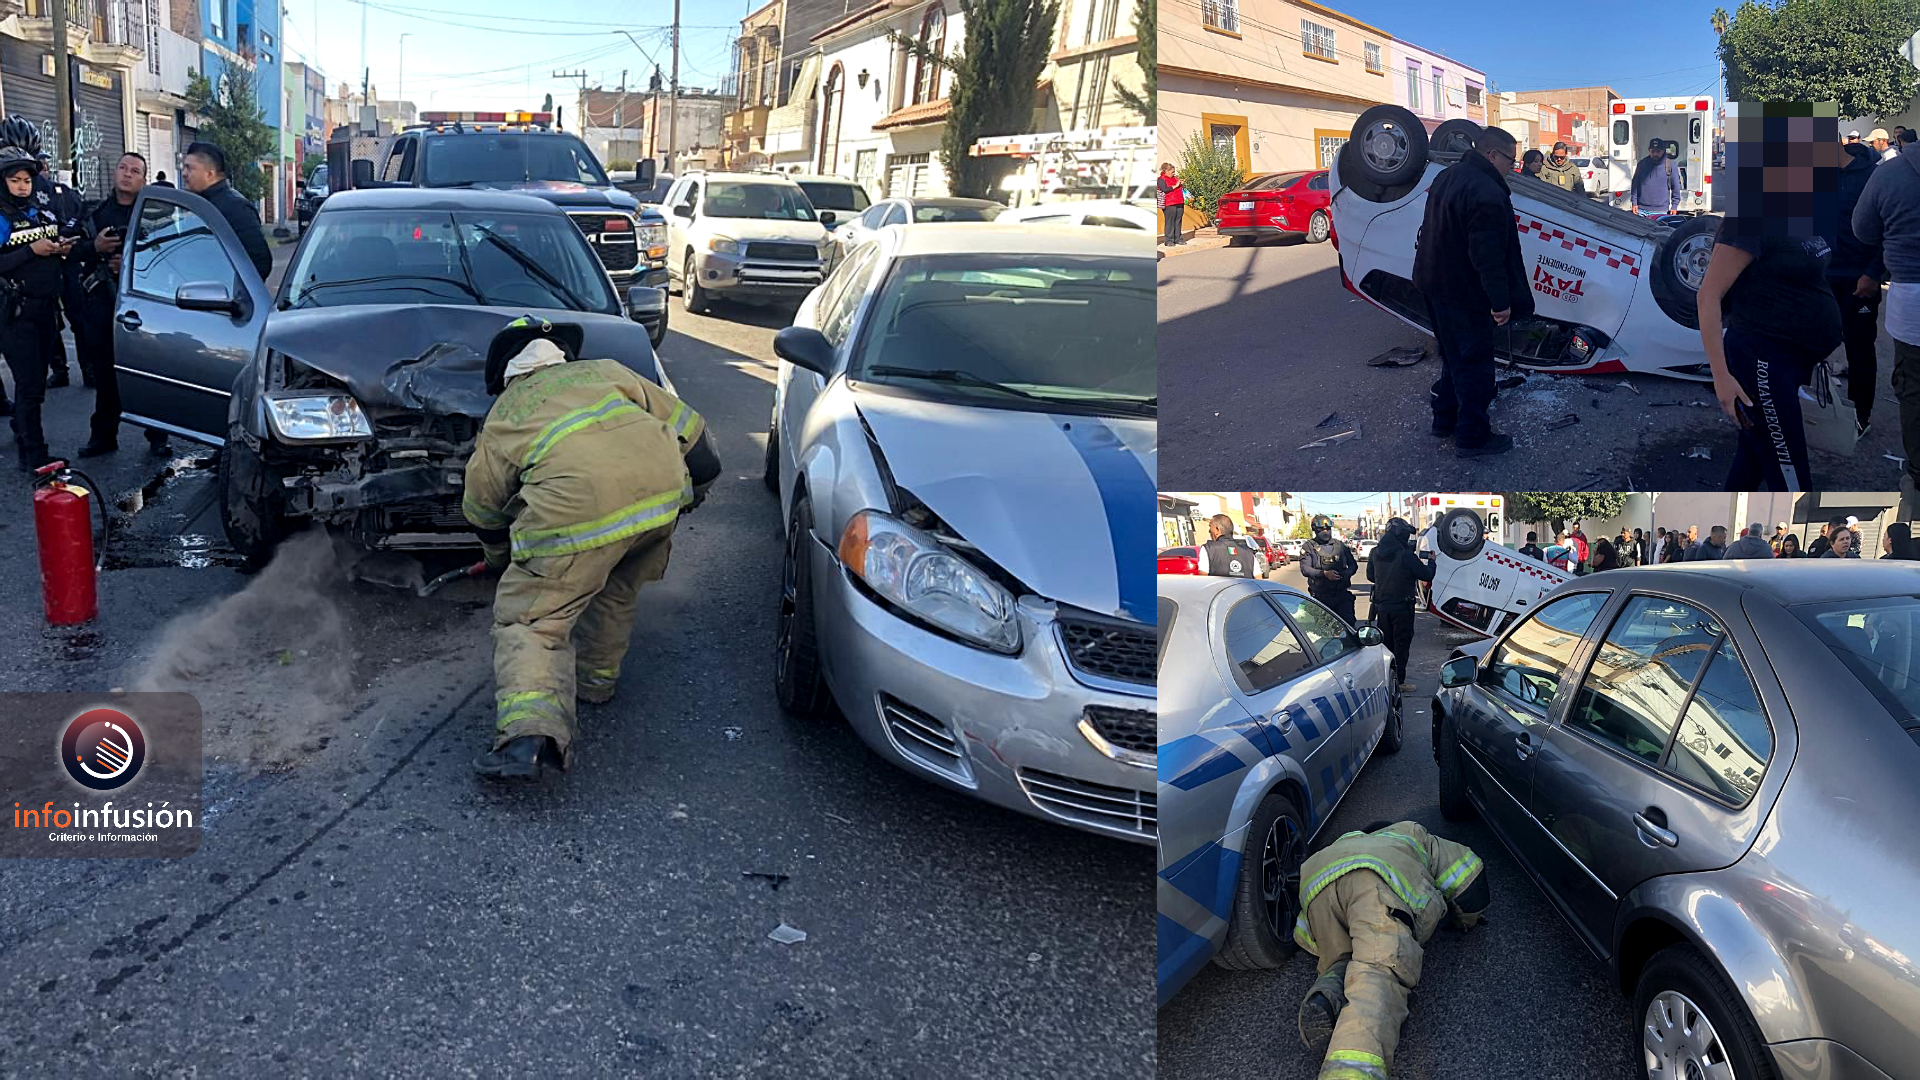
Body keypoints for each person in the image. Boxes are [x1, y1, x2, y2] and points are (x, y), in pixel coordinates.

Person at [463, 316, 720, 780]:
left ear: (506, 373)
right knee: (615, 588)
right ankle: (597, 685)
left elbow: (483, 509)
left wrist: (502, 563)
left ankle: (528, 739)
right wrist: (692, 494)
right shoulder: (610, 371)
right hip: (659, 503)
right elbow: (698, 440)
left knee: (533, 619)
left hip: (577, 514)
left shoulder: (506, 413)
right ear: (561, 355)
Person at [1293, 819, 1488, 1080]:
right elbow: (1468, 876)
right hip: (1374, 884)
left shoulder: (1344, 842)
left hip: (1318, 891)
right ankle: (1351, 1071)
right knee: (1377, 974)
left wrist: (1325, 947)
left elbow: (1305, 932)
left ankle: (1330, 988)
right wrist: (1467, 919)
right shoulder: (1412, 834)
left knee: (1349, 955)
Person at [1700, 163, 1846, 490]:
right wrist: (1721, 378)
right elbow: (1707, 296)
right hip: (1762, 357)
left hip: (1793, 359)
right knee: (1791, 480)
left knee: (1753, 459)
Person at [1411, 125, 1532, 457]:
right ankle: (1472, 436)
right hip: (1463, 293)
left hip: (1434, 285)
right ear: (1492, 155)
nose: (1513, 167)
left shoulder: (1448, 177)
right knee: (1476, 365)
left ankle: (1444, 420)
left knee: (1453, 358)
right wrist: (1501, 302)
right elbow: (1487, 256)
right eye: (1511, 159)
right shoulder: (1486, 192)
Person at [73, 152, 171, 458]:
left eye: (135, 171)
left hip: (144, 306)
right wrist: (95, 247)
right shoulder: (95, 214)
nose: (127, 174)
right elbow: (70, 250)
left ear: (144, 179)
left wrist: (128, 264)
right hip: (103, 305)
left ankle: (158, 435)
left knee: (148, 371)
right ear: (115, 173)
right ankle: (103, 436)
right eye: (123, 168)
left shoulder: (155, 216)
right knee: (105, 374)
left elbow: (169, 256)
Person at [0, 144, 72, 471]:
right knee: (28, 386)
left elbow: (53, 242)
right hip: (17, 315)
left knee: (37, 385)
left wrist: (60, 248)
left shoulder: (40, 212)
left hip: (45, 310)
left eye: (26, 180)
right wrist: (32, 250)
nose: (22, 185)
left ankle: (23, 430)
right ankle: (35, 456)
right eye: (15, 180)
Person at [1830, 135, 1888, 436]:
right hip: (1820, 278)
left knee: (1860, 350)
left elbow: (1889, 228)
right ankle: (1811, 411)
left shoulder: (1872, 175)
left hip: (1860, 280)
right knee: (1807, 345)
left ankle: (1860, 418)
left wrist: (1874, 273)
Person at [180, 141, 272, 280]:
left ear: (210, 174)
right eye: (183, 167)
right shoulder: (198, 203)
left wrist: (228, 292)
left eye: (189, 168)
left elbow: (260, 262)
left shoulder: (236, 208)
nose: (184, 173)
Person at [1365, 518, 1434, 694]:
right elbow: (1426, 574)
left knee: (1386, 644)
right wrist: (1432, 561)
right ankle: (1399, 681)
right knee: (1401, 644)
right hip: (1402, 608)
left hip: (1382, 607)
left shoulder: (1375, 552)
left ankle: (1387, 679)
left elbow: (1371, 577)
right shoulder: (1405, 555)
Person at [1301, 515, 1360, 627]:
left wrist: (1346, 574)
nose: (1325, 532)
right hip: (1321, 597)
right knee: (1325, 630)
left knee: (1349, 626)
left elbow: (1353, 565)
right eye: (1322, 529)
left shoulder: (1340, 545)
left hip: (1342, 595)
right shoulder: (1308, 547)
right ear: (1315, 530)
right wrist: (1324, 574)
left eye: (1328, 529)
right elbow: (1305, 569)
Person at [1631, 137, 1682, 216]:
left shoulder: (1670, 165)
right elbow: (1635, 185)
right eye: (1653, 151)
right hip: (1641, 210)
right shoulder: (1642, 164)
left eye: (1658, 151)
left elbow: (1675, 187)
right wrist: (1634, 202)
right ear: (1649, 150)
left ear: (1663, 150)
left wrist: (1674, 206)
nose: (1655, 154)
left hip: (1661, 210)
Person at [1196, 513, 1257, 577]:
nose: (1209, 531)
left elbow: (1204, 578)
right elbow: (1259, 580)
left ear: (1217, 529)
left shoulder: (1208, 549)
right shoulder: (1249, 552)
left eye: (1210, 526)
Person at [1157, 163, 1185, 247]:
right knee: (1170, 222)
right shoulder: (1161, 179)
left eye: (1174, 172)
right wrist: (1175, 186)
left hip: (1179, 201)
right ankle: (1169, 240)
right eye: (1172, 172)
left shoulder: (1175, 178)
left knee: (1178, 221)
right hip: (1169, 203)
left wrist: (1181, 184)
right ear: (1166, 171)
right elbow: (1165, 189)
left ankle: (1178, 238)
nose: (1173, 173)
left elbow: (1178, 188)